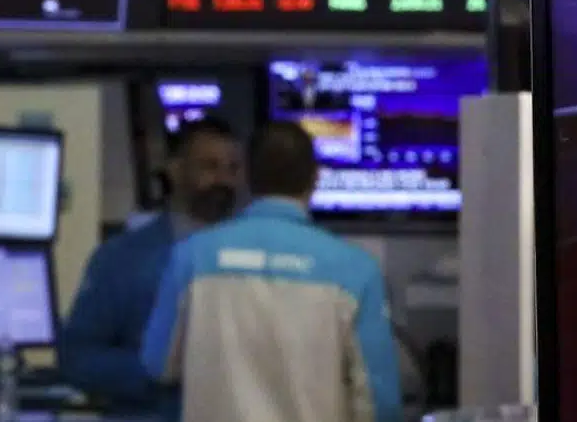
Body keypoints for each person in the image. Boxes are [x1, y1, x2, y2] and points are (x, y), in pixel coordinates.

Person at [141, 121, 403, 422]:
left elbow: (158, 366)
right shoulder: (356, 270)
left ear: (247, 177)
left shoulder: (192, 256)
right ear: (315, 179)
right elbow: (379, 404)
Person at [58, 117, 242, 415]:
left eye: (232, 169)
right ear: (175, 170)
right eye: (209, 167)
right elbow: (77, 358)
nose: (223, 180)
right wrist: (158, 370)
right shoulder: (123, 259)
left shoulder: (255, 256)